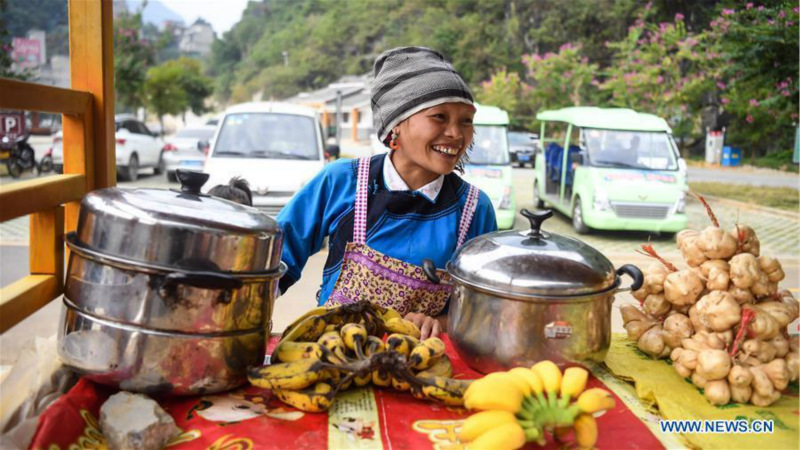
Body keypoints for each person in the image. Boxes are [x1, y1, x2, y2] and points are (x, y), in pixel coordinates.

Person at [276, 46, 497, 339]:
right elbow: (275, 263)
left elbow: (484, 309)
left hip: (421, 364)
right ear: (396, 125)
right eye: (440, 117)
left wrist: (439, 322)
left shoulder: (474, 208)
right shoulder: (342, 181)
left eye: (466, 120)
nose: (457, 134)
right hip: (334, 355)